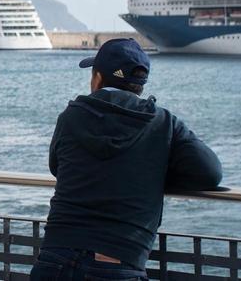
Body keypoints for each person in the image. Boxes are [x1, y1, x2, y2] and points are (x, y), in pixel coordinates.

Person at [32, 38, 222, 281]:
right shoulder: (162, 123)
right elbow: (210, 173)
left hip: (55, 257)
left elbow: (56, 166)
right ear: (140, 86)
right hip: (119, 262)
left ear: (97, 78)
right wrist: (152, 171)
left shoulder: (72, 116)